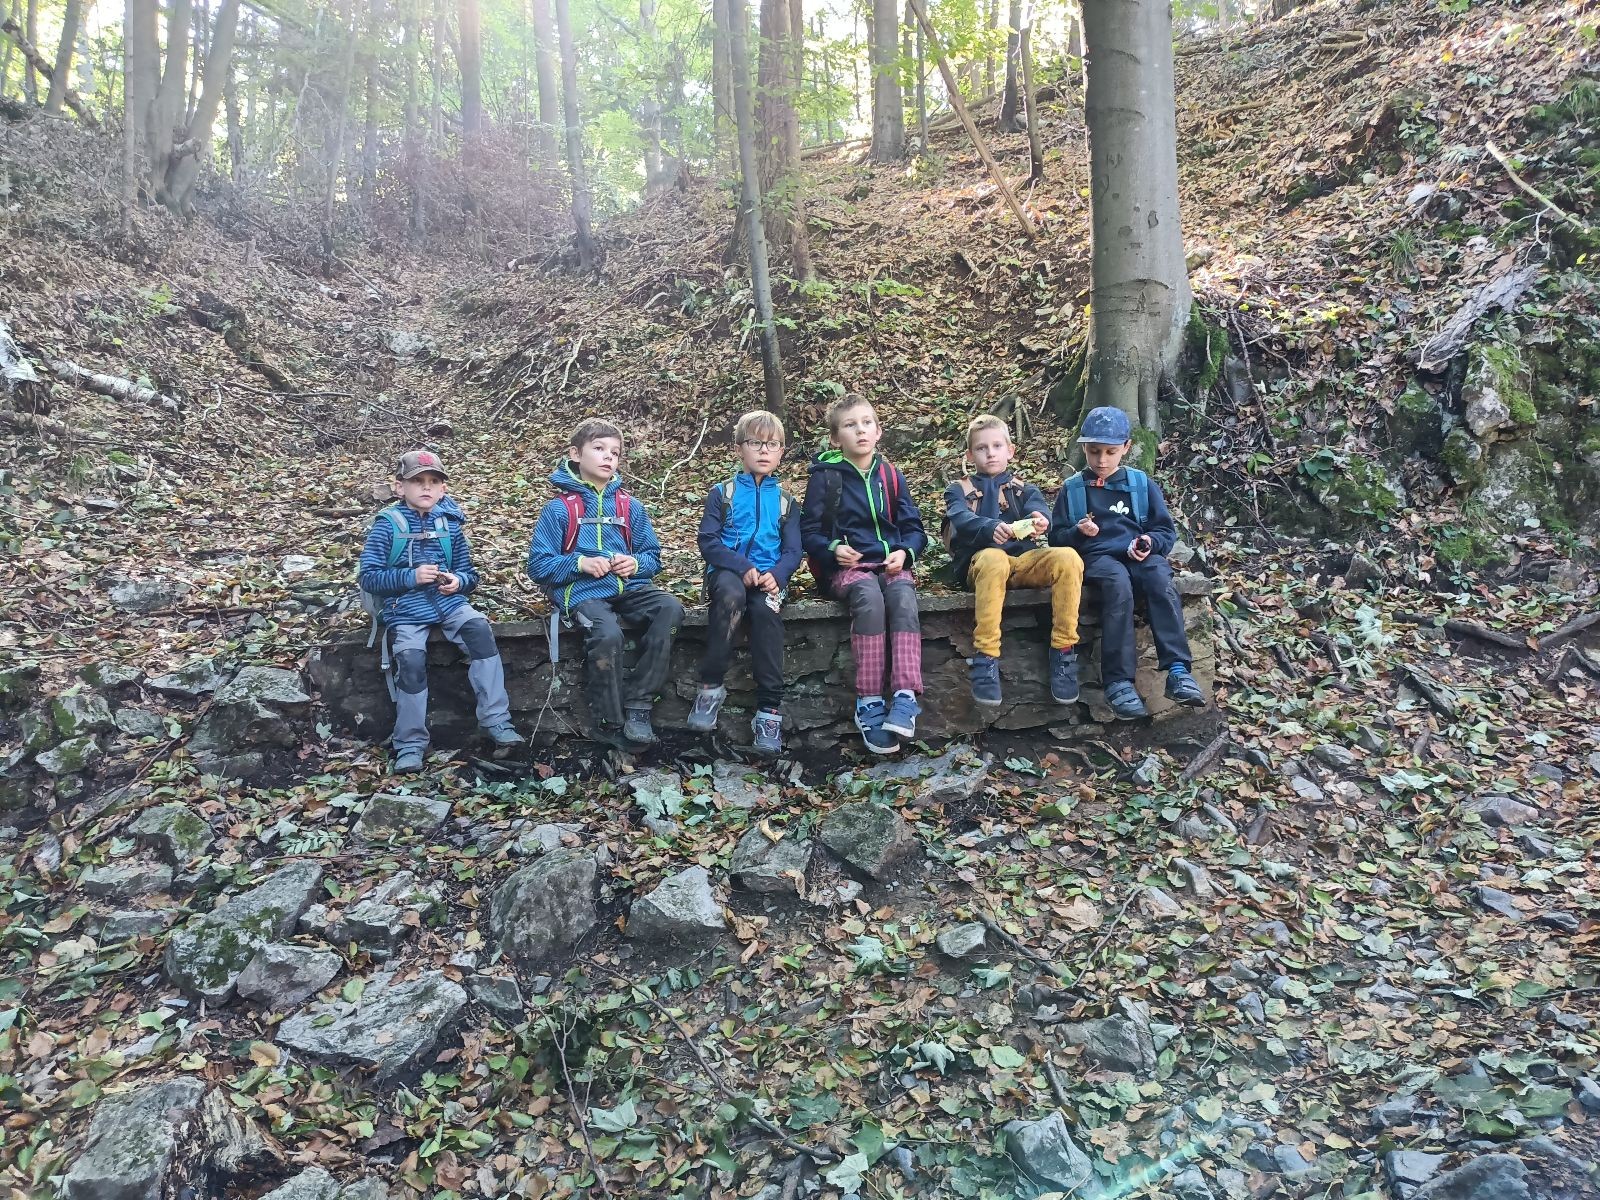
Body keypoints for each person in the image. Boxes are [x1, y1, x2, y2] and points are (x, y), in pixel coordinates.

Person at [358, 449, 525, 773]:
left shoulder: (449, 525)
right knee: (410, 660)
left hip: (449, 604)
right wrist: (410, 577)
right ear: (399, 487)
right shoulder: (386, 526)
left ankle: (496, 721)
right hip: (404, 610)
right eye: (417, 481)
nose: (426, 487)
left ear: (443, 488)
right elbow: (369, 577)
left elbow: (469, 574)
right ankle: (410, 744)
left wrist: (457, 581)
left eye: (434, 481)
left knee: (479, 629)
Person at [526, 418, 684, 747]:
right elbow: (539, 567)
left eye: (615, 452)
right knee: (607, 633)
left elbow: (653, 558)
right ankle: (608, 722)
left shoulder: (630, 507)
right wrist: (579, 563)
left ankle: (640, 702)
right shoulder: (558, 510)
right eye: (598, 448)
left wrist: (635, 563)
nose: (608, 456)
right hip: (582, 594)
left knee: (670, 608)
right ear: (575, 454)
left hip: (630, 589)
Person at [1049, 406, 1206, 719]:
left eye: (1110, 452)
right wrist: (1078, 532)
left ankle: (1178, 670)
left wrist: (1149, 543)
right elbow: (1056, 539)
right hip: (1098, 559)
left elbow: (1164, 531)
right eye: (1094, 452)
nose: (1102, 460)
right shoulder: (1073, 489)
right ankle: (1118, 682)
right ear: (1084, 448)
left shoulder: (1140, 484)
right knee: (1117, 585)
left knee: (1160, 578)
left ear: (1126, 447)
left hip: (1139, 556)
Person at [801, 394, 928, 754]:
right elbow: (808, 532)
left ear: (878, 431)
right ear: (835, 438)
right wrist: (832, 549)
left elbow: (914, 529)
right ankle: (869, 700)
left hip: (890, 565)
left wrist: (906, 552)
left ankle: (904, 696)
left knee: (902, 596)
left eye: (866, 422)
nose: (860, 430)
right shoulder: (825, 479)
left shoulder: (891, 476)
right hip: (848, 569)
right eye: (850, 425)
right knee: (869, 598)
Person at [943, 414, 1084, 707]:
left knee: (1068, 558)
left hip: (1022, 562)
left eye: (997, 446)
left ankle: (1063, 650)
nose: (990, 453)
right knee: (994, 558)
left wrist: (1040, 520)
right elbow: (960, 517)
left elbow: (1039, 509)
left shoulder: (1023, 488)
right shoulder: (958, 489)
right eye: (981, 448)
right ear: (970, 455)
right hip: (981, 564)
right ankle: (986, 657)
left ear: (1010, 450)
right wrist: (989, 528)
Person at [688, 410, 803, 755]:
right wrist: (741, 566)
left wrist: (777, 575)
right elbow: (708, 542)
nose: (764, 450)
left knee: (766, 615)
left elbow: (793, 551)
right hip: (728, 572)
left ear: (781, 452)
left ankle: (769, 711)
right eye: (755, 443)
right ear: (739, 449)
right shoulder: (722, 493)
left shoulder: (786, 501)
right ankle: (710, 687)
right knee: (730, 597)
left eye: (772, 444)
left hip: (769, 577)